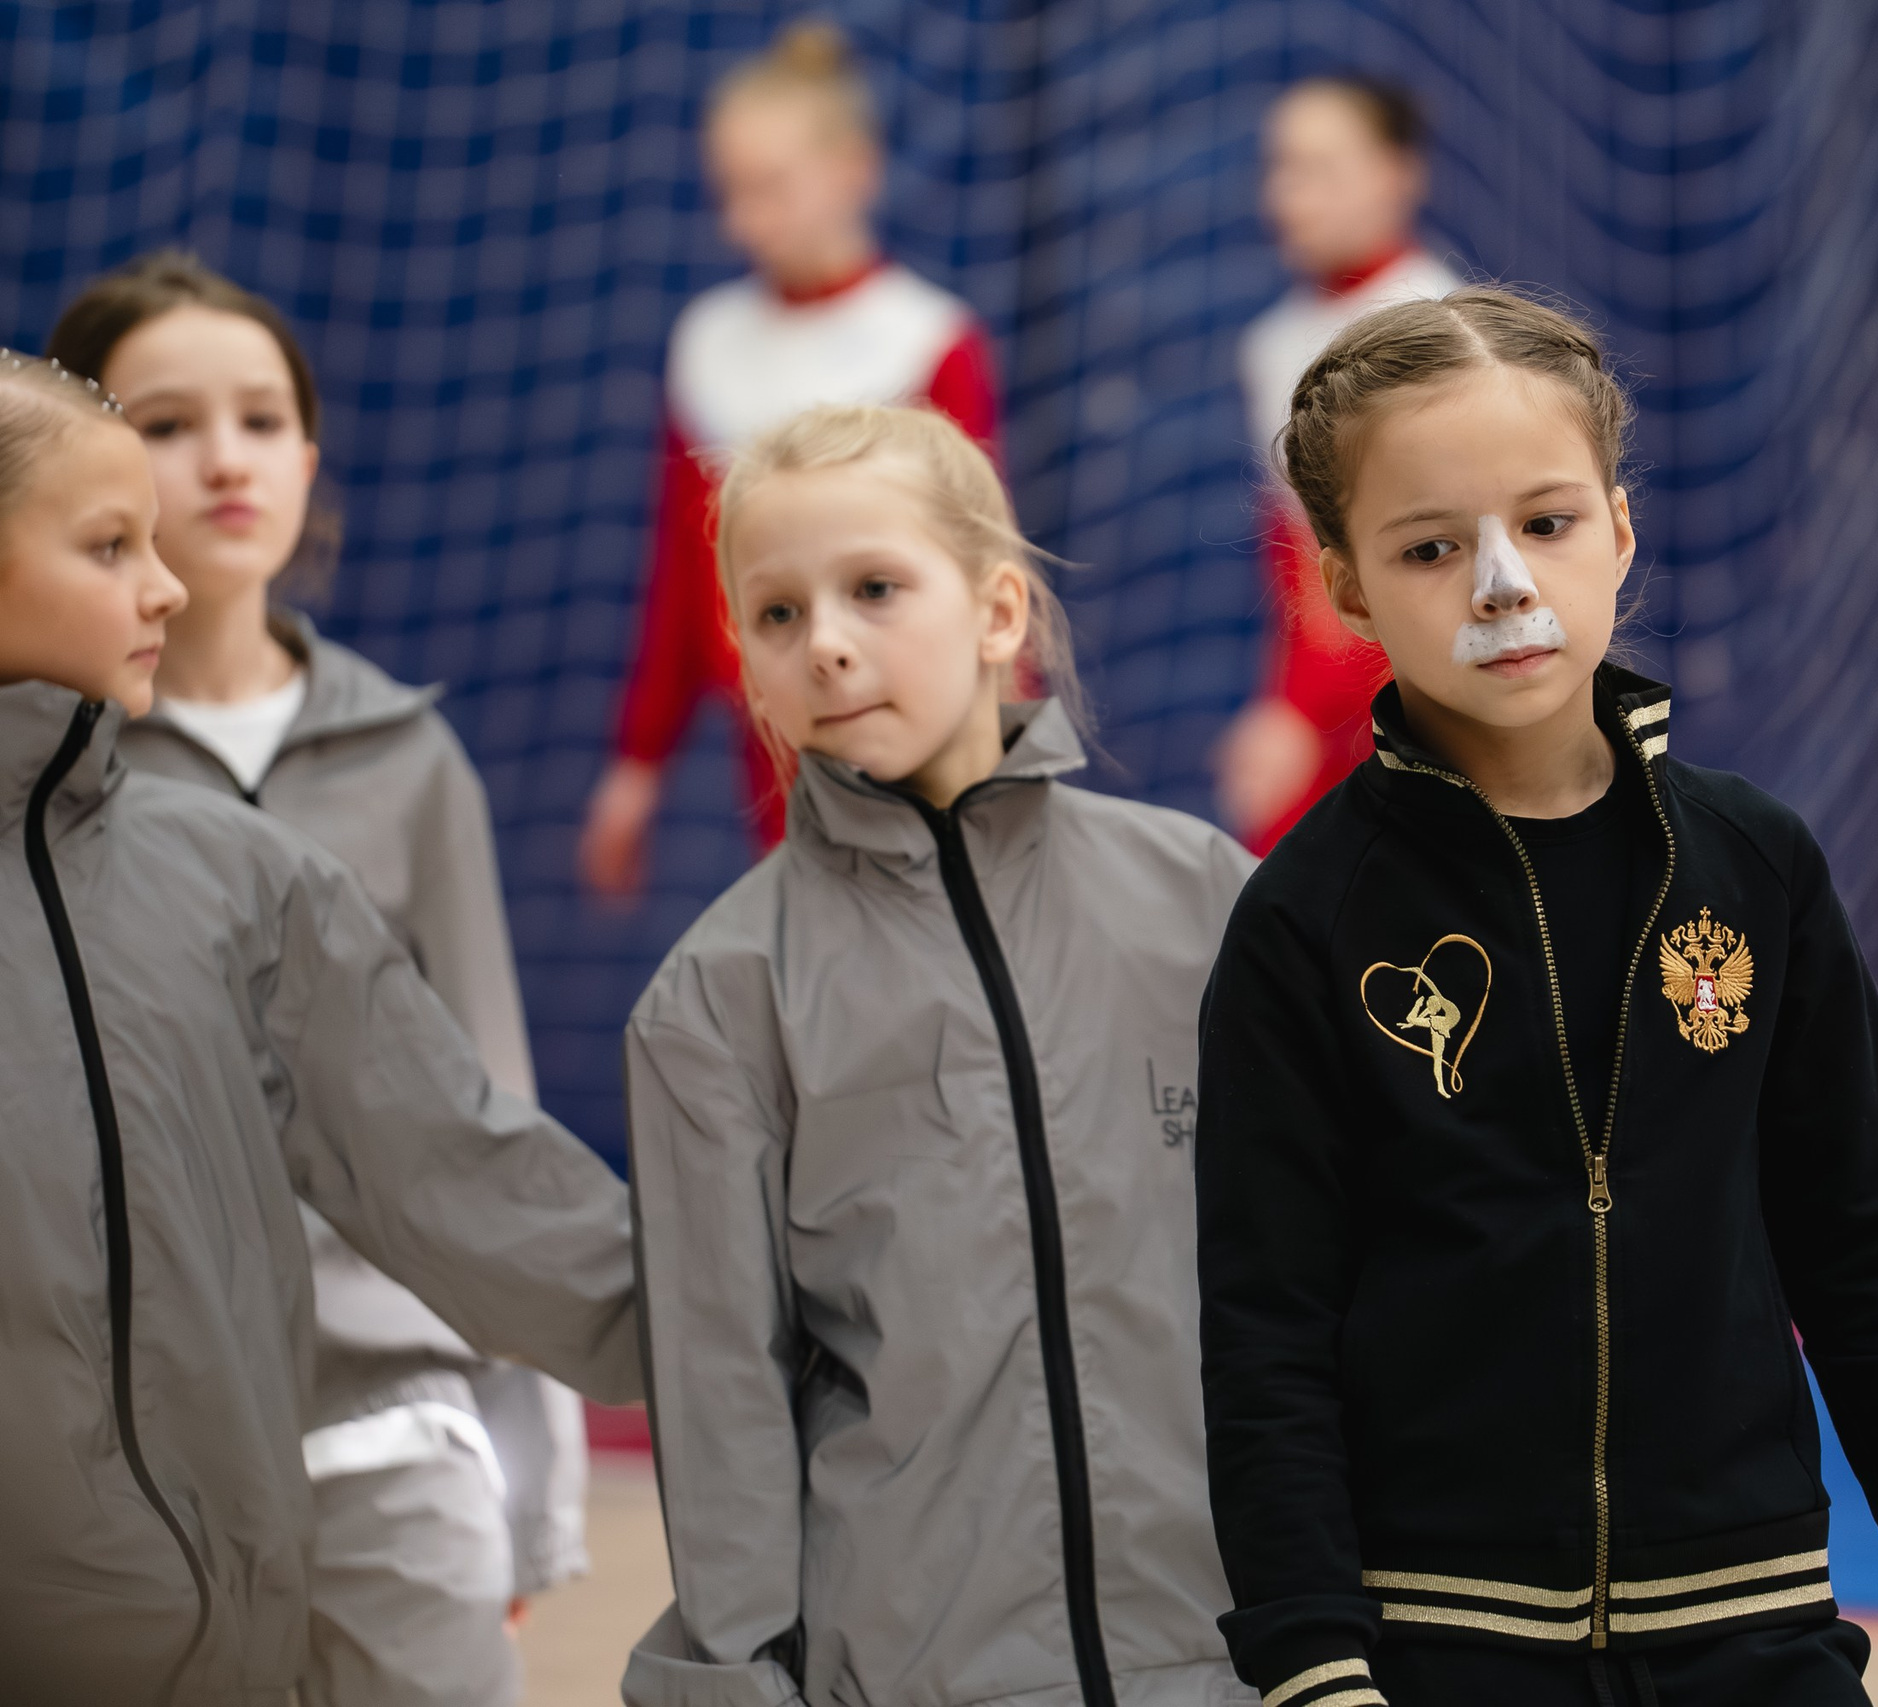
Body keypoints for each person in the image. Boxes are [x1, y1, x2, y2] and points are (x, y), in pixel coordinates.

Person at [1194, 288, 1878, 1707]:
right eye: (1428, 546)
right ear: (1339, 587)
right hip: (1441, 1646)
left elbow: (1866, 1232)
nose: (1502, 585)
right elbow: (1265, 1328)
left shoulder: (1755, 862)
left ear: (1621, 528)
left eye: (1547, 521)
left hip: (1759, 1625)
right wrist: (1314, 1660)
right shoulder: (1301, 922)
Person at [0, 351, 641, 1705]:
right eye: (112, 545)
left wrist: (769, 1334)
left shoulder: (243, 878)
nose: (164, 585)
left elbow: (461, 1172)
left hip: (232, 1649)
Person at [618, 404, 1257, 1707]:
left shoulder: (1199, 898)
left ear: (998, 610)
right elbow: (720, 1400)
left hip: (1236, 1655)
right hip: (920, 1671)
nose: (830, 643)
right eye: (778, 614)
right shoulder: (720, 998)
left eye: (873, 587)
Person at [580, 20, 1003, 897]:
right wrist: (638, 761)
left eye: (771, 187)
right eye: (730, 191)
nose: (746, 219)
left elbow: (979, 559)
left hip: (912, 728)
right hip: (776, 738)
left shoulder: (928, 340)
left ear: (855, 167)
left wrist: (995, 738)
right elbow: (685, 576)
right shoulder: (709, 345)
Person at [1215, 74, 1459, 853]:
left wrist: (1300, 712)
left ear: (1398, 174)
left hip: (1431, 696)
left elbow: (1426, 560)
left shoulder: (1442, 328)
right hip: (1327, 703)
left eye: (1319, 169)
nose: (1288, 196)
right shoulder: (1273, 343)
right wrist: (1291, 707)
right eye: (1280, 169)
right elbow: (1300, 566)